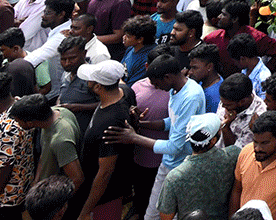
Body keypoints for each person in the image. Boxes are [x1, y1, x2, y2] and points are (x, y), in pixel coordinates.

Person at [107, 54, 207, 215]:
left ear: (167, 77)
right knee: (151, 214)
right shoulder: (177, 89)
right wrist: (142, 125)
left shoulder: (190, 97)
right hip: (169, 163)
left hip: (180, 166)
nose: (156, 87)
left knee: (167, 214)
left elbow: (174, 146)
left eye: (156, 83)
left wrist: (134, 137)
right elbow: (172, 121)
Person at [72, 61, 133, 220]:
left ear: (99, 87)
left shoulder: (109, 123)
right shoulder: (125, 92)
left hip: (105, 197)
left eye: (90, 80)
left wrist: (86, 210)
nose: (87, 83)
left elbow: (105, 171)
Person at [157, 113, 240, 220]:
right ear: (213, 140)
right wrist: (226, 127)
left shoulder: (174, 177)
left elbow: (166, 216)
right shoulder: (233, 156)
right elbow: (233, 149)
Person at [9, 94, 81, 189]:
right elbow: (44, 155)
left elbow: (77, 179)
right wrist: (36, 182)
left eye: (18, 121)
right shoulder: (59, 112)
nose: (17, 124)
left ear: (30, 123)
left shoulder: (60, 140)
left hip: (53, 190)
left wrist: (55, 202)